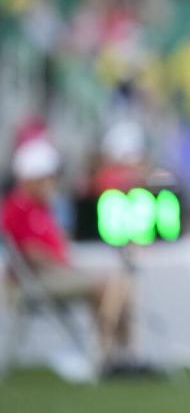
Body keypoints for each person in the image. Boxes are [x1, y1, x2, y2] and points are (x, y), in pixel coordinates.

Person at [1, 138, 132, 369]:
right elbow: (31, 254)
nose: (52, 184)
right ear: (31, 178)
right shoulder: (17, 208)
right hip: (36, 280)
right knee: (110, 285)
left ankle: (122, 354)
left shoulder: (42, 207)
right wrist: (64, 266)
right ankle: (105, 356)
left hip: (54, 274)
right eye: (47, 178)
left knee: (121, 283)